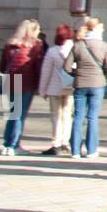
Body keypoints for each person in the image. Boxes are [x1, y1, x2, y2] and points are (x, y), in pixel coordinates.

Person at [64, 17, 107, 160]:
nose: (104, 30)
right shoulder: (104, 46)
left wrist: (76, 73)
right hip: (97, 84)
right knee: (92, 117)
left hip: (80, 83)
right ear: (97, 29)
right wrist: (102, 73)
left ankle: (75, 150)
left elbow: (66, 66)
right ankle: (91, 150)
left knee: (78, 117)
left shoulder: (78, 45)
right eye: (102, 27)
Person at [0, 19, 44, 156]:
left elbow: (2, 65)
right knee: (19, 115)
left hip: (11, 81)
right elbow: (38, 66)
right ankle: (14, 145)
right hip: (26, 81)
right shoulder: (36, 45)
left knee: (12, 113)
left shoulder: (10, 44)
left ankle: (6, 144)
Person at [37, 25, 75, 156]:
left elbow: (45, 73)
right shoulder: (74, 49)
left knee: (56, 116)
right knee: (67, 115)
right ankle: (66, 142)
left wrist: (42, 90)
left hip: (54, 88)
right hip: (70, 87)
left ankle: (56, 143)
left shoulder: (52, 51)